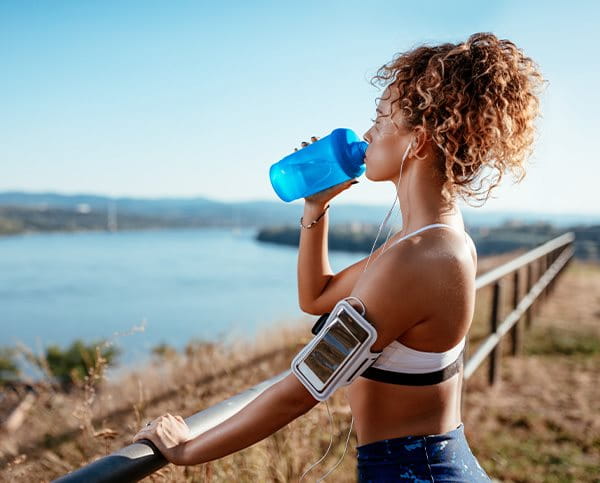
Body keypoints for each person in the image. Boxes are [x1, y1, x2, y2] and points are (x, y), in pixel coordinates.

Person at [133, 32, 543, 481]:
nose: (368, 133)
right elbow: (317, 297)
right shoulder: (430, 241)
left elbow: (304, 387)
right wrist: (317, 207)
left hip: (413, 473)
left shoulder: (420, 258)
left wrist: (187, 451)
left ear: (419, 142)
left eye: (382, 120)